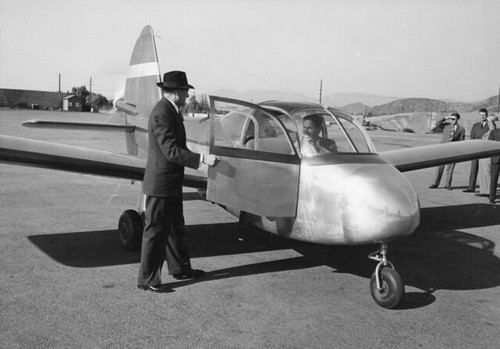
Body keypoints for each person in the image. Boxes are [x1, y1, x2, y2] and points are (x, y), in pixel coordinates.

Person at [138, 71, 219, 292]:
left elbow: (177, 148)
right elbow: (172, 151)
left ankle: (180, 268)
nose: (187, 95)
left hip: (171, 183)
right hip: (161, 184)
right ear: (176, 92)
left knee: (175, 228)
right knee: (156, 231)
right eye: (185, 91)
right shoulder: (162, 113)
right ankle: (148, 279)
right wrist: (202, 159)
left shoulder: (171, 111)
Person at [429, 113, 465, 190]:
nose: (452, 121)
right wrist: (446, 117)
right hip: (443, 149)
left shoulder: (461, 129)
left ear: (458, 119)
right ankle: (435, 184)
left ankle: (447, 185)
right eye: (451, 119)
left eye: (454, 119)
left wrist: (459, 151)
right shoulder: (446, 125)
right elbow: (437, 123)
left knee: (450, 168)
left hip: (453, 150)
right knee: (440, 167)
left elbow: (461, 141)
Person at [463, 108, 490, 193]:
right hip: (476, 150)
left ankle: (485, 189)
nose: (482, 117)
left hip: (485, 151)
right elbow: (472, 137)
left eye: (484, 115)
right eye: (481, 115)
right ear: (479, 115)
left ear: (487, 115)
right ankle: (471, 187)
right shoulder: (475, 125)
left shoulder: (490, 125)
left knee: (484, 171)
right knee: (473, 169)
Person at [476, 115, 498, 196]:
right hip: (483, 155)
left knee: (487, 173)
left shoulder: (493, 130)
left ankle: (489, 191)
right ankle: (484, 191)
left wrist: (490, 120)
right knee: (482, 173)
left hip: (487, 156)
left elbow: (492, 128)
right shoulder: (488, 131)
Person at [488, 121, 500, 204]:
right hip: (495, 160)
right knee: (493, 179)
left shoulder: (494, 132)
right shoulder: (494, 132)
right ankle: (491, 197)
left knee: (493, 179)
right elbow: (489, 145)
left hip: (495, 159)